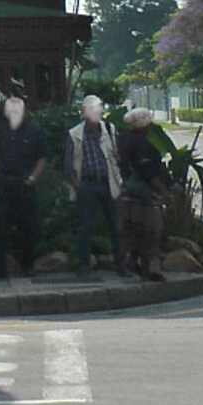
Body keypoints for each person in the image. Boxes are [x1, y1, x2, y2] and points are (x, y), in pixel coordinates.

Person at [67, 95, 123, 277]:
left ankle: (121, 265)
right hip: (87, 184)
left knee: (115, 226)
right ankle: (84, 266)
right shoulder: (75, 134)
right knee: (86, 227)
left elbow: (118, 157)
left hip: (108, 183)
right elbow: (68, 165)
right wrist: (78, 187)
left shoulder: (110, 129)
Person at [0, 97, 45, 278]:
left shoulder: (34, 130)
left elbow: (41, 158)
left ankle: (27, 266)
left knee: (28, 227)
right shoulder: (0, 130)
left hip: (24, 184)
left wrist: (33, 178)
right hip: (4, 184)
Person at [116, 108, 168, 282]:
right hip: (143, 194)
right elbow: (148, 172)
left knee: (131, 231)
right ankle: (151, 269)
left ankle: (131, 262)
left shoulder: (122, 139)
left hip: (124, 192)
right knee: (152, 231)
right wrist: (164, 191)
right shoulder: (142, 144)